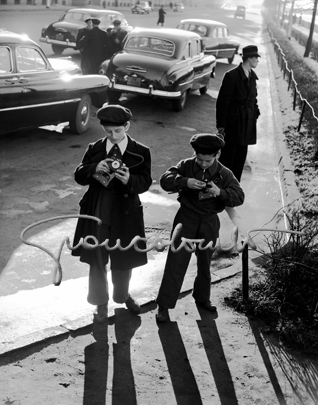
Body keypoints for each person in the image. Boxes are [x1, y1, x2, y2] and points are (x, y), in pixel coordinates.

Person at [72, 105, 152, 323]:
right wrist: (94, 168)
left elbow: (145, 181)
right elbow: (79, 175)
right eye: (108, 132)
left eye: (117, 131)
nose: (113, 136)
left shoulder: (141, 151)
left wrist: (130, 181)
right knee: (97, 258)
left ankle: (123, 296)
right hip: (97, 211)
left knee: (123, 259)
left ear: (127, 125)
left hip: (125, 215)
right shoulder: (95, 148)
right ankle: (100, 302)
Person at [155, 133, 245, 322]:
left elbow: (239, 196)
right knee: (176, 261)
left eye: (208, 160)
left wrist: (219, 192)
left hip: (209, 221)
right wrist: (184, 182)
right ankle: (164, 305)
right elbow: (165, 179)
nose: (204, 164)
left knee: (205, 263)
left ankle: (203, 298)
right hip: (186, 219)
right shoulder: (186, 165)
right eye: (200, 159)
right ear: (194, 153)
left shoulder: (224, 173)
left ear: (218, 155)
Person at [216, 45, 261, 182]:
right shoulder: (231, 76)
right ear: (249, 59)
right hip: (233, 123)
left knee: (241, 157)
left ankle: (234, 188)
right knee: (228, 156)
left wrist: (255, 115)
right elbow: (222, 102)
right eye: (256, 58)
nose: (258, 61)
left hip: (247, 124)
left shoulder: (252, 77)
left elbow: (253, 99)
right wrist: (221, 125)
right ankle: (220, 186)